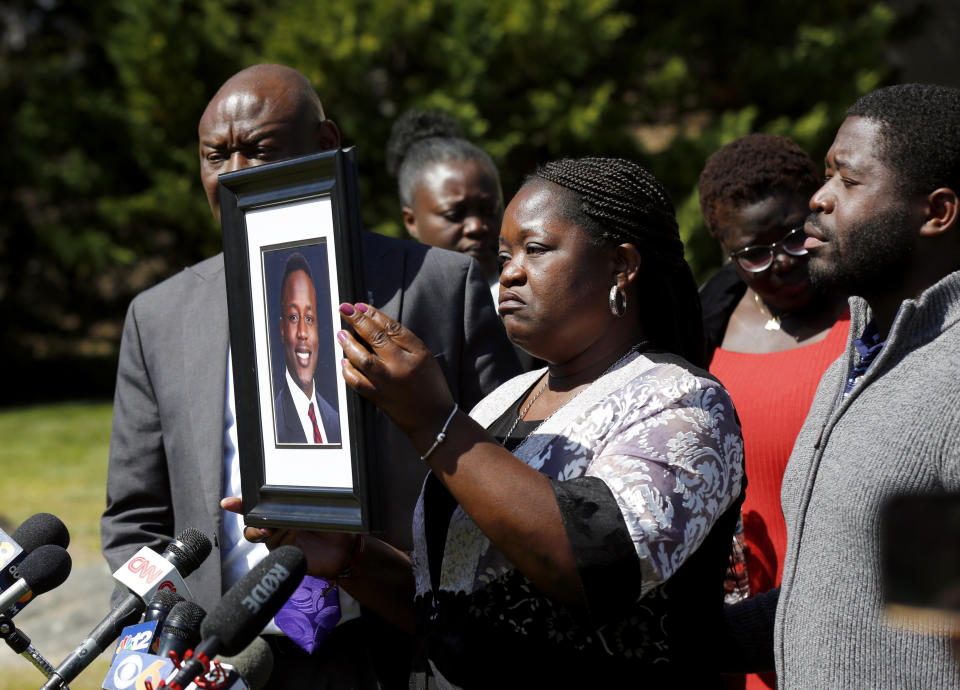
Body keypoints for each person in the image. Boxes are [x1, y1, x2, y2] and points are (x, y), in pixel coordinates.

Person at [239, 157, 746, 686]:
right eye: (504, 255)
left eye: (536, 249)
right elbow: (450, 607)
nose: (509, 271)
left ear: (621, 265)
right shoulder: (503, 401)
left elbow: (593, 568)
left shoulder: (684, 403)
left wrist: (434, 422)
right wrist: (351, 558)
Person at [100, 63, 520, 688]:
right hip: (227, 658)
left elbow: (506, 477)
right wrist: (151, 641)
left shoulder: (437, 285)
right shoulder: (159, 317)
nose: (236, 174)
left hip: (405, 651)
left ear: (326, 146)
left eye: (260, 150)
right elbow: (137, 519)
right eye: (217, 156)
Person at [722, 84, 960, 687]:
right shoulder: (856, 363)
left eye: (848, 182)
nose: (819, 201)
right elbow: (895, 604)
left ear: (936, 213)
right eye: (826, 176)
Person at [696, 134, 850, 689]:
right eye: (755, 252)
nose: (783, 261)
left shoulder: (875, 311)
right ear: (726, 252)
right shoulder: (701, 330)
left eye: (793, 235)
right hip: (740, 621)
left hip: (855, 613)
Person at [385, 109, 504, 290]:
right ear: (411, 221)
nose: (477, 227)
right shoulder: (390, 302)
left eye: (488, 210)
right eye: (454, 214)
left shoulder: (538, 307)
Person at [273, 252, 340, 445]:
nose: (303, 332)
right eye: (293, 317)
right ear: (282, 329)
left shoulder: (336, 422)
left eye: (309, 319)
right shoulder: (272, 424)